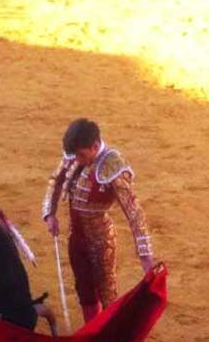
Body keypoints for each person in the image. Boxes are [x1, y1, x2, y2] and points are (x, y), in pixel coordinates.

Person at [42, 118, 155, 323]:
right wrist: (50, 213)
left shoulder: (112, 164)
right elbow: (56, 180)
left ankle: (111, 336)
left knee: (106, 291)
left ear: (95, 146)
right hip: (75, 237)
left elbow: (133, 211)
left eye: (82, 155)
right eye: (75, 155)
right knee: (84, 288)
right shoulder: (75, 154)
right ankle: (92, 331)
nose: (77, 160)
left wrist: (145, 255)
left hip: (101, 240)